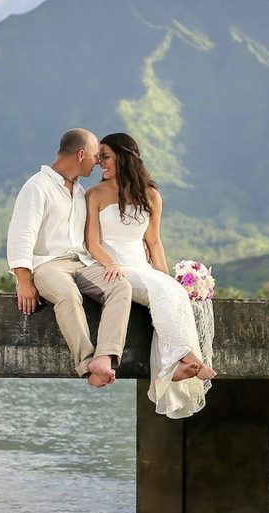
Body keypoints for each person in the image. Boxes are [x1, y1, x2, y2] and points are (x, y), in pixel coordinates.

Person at [84, 132, 215, 419]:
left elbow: (154, 242)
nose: (99, 163)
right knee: (159, 291)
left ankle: (174, 367)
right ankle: (186, 357)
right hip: (113, 268)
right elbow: (91, 242)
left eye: (104, 156)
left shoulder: (151, 196)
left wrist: (167, 278)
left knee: (171, 291)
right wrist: (109, 263)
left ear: (123, 156)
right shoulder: (94, 194)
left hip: (141, 266)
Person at [7, 128, 133, 388]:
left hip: (81, 262)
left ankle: (104, 357)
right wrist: (24, 281)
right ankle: (87, 365)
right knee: (68, 295)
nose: (98, 161)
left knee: (120, 286)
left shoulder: (79, 191)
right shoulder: (37, 187)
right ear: (80, 154)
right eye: (95, 156)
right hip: (47, 265)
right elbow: (21, 235)